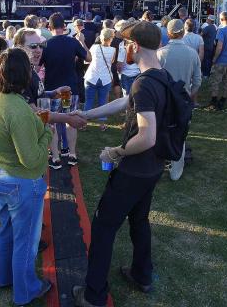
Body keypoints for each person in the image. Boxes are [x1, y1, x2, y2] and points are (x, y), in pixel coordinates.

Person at [71, 21, 167, 307]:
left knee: (102, 228)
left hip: (135, 169)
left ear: (135, 46)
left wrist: (117, 151)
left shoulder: (143, 82)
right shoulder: (159, 77)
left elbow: (146, 136)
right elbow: (126, 102)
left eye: (126, 44)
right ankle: (142, 275)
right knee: (139, 220)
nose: (123, 48)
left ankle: (93, 295)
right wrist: (87, 113)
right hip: (153, 168)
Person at [0, 48, 53, 306]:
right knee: (26, 241)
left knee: (8, 230)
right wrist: (47, 133)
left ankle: (3, 277)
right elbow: (32, 159)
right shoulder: (18, 109)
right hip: (21, 181)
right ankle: (26, 291)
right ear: (24, 74)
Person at [40, 13, 91, 166]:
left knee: (52, 123)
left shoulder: (46, 44)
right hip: (70, 88)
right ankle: (72, 154)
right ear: (64, 26)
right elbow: (89, 58)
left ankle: (55, 157)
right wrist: (82, 42)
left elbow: (38, 65)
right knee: (71, 121)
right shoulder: (73, 42)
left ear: (49, 27)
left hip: (53, 90)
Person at [157, 20, 202, 180]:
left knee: (161, 132)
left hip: (164, 101)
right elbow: (197, 80)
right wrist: (189, 95)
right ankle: (176, 171)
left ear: (168, 33)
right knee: (180, 134)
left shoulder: (160, 53)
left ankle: (159, 165)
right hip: (183, 101)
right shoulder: (192, 53)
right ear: (183, 33)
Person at [84, 28, 116, 131]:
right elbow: (111, 61)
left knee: (88, 101)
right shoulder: (113, 50)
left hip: (92, 77)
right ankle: (102, 125)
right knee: (103, 103)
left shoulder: (94, 47)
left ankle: (84, 124)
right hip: (105, 78)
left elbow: (89, 59)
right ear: (111, 38)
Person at [116, 20, 141, 97]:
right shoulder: (140, 43)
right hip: (138, 73)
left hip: (126, 74)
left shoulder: (123, 45)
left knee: (127, 99)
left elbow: (120, 64)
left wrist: (119, 71)